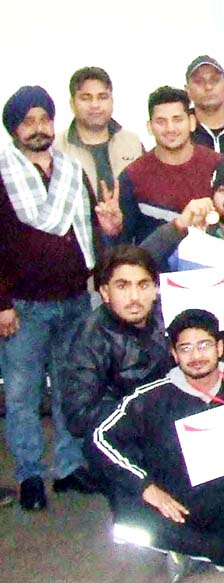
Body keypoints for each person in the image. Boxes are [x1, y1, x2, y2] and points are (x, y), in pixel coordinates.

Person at [94, 309, 224, 579]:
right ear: (174, 354)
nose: (195, 356)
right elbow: (101, 439)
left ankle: (196, 551)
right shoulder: (151, 398)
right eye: (185, 348)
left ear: (219, 348)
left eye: (204, 345)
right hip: (180, 506)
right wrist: (145, 487)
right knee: (126, 513)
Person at [0, 85, 123, 510]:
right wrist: (1, 304)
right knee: (22, 394)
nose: (38, 129)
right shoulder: (2, 173)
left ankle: (69, 468)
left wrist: (107, 235)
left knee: (70, 390)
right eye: (28, 121)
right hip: (22, 307)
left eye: (44, 120)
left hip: (75, 299)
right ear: (14, 129)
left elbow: (91, 229)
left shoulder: (71, 171)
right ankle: (30, 475)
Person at [62, 246, 171, 496]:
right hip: (118, 440)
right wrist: (142, 413)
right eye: (123, 286)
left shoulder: (168, 317)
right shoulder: (89, 338)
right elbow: (78, 415)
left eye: (143, 285)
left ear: (156, 289)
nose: (135, 296)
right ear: (104, 292)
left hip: (168, 430)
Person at [117, 86, 222, 242]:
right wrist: (112, 230)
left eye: (177, 119)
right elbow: (123, 244)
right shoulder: (132, 176)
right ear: (149, 127)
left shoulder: (219, 166)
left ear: (192, 122)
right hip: (154, 265)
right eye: (161, 122)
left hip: (216, 265)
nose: (170, 128)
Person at [56, 66, 145, 194]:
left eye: (102, 97)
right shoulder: (56, 148)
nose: (95, 105)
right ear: (72, 104)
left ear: (112, 101)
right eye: (86, 98)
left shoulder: (132, 143)